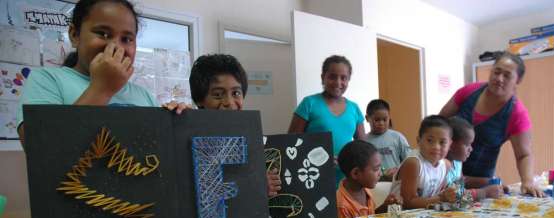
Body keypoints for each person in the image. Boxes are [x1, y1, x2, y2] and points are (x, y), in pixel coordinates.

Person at [16, 0, 188, 147]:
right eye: (103, 34)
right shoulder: (47, 80)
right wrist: (102, 89)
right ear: (75, 35)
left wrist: (178, 123)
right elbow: (40, 149)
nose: (116, 46)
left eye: (127, 39)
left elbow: (159, 153)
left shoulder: (143, 96)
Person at [439, 51, 543, 197]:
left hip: (478, 180)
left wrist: (528, 181)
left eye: (507, 75)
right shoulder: (468, 92)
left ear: (517, 80)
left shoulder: (517, 114)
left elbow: (524, 155)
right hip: (445, 171)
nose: (499, 78)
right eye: (496, 72)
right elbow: (439, 122)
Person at [189, 53, 281, 197]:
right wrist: (253, 185)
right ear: (199, 99)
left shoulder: (251, 139)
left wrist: (266, 185)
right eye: (218, 95)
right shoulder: (190, 137)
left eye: (236, 93)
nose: (229, 103)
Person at [288, 55, 365, 184]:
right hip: (313, 178)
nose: (338, 82)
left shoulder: (354, 108)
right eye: (332, 76)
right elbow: (290, 143)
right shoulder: (309, 103)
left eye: (343, 78)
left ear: (348, 80)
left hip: (346, 182)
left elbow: (363, 149)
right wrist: (320, 159)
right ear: (323, 77)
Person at [391, 115, 457, 209]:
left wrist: (451, 195)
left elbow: (438, 196)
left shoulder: (446, 165)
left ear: (450, 144)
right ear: (419, 141)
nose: (436, 147)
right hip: (400, 217)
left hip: (425, 217)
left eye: (442, 142)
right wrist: (442, 198)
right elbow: (407, 203)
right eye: (430, 140)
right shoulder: (413, 163)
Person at [336, 140, 402, 218]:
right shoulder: (342, 206)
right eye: (376, 169)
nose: (380, 174)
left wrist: (385, 206)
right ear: (356, 173)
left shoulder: (363, 189)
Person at [446, 116, 502, 200]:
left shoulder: (457, 162)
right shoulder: (442, 166)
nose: (471, 149)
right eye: (467, 144)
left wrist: (490, 182)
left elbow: (462, 182)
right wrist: (485, 192)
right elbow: (454, 197)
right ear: (451, 144)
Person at [365, 99, 411, 181]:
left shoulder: (398, 137)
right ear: (367, 118)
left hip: (394, 183)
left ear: (389, 117)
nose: (381, 123)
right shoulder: (364, 141)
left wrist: (399, 171)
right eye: (377, 120)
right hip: (373, 185)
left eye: (385, 119)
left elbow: (409, 161)